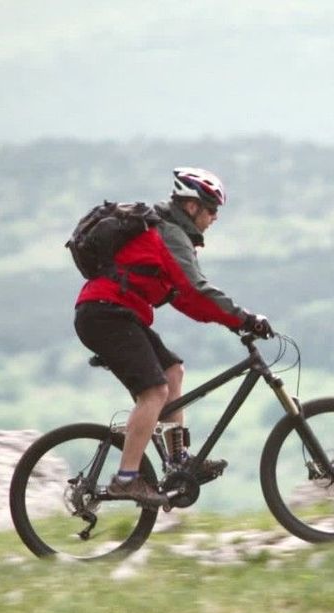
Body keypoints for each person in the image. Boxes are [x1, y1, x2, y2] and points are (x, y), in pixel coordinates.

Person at [74, 167, 273, 505]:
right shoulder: (168, 233)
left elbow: (183, 299)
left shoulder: (167, 234)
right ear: (192, 206)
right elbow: (196, 289)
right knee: (154, 391)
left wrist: (232, 322)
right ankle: (127, 479)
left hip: (118, 314)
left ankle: (177, 461)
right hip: (105, 314)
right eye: (211, 209)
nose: (215, 217)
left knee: (172, 372)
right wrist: (244, 318)